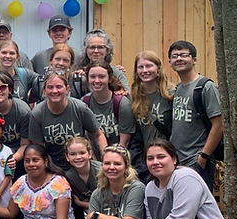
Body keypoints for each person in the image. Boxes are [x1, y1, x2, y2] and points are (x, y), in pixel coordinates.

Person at [168, 40, 223, 189]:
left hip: (197, 160)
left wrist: (203, 157)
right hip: (177, 161)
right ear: (170, 62)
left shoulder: (206, 87)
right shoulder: (177, 89)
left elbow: (219, 125)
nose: (179, 59)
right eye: (175, 56)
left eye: (184, 55)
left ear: (194, 59)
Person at [30, 71, 107, 172]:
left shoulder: (80, 108)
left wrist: (106, 157)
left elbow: (98, 135)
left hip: (80, 163)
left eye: (59, 87)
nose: (54, 91)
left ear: (67, 89)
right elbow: (38, 148)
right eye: (50, 87)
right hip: (54, 167)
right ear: (44, 90)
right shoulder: (37, 113)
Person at [130, 51, 174, 183]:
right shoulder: (135, 97)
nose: (145, 70)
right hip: (147, 160)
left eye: (149, 66)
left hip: (169, 156)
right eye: (140, 67)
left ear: (158, 69)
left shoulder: (171, 94)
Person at [82, 62, 136, 150]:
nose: (96, 80)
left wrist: (110, 157)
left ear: (110, 79)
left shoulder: (122, 104)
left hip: (118, 154)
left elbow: (124, 142)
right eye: (92, 77)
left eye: (101, 77)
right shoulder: (84, 102)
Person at [64, 136, 101, 219]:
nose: (78, 157)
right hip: (89, 212)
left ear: (90, 154)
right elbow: (84, 202)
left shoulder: (101, 171)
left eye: (82, 153)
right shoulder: (69, 177)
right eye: (73, 154)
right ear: (67, 157)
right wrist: (82, 204)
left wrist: (80, 203)